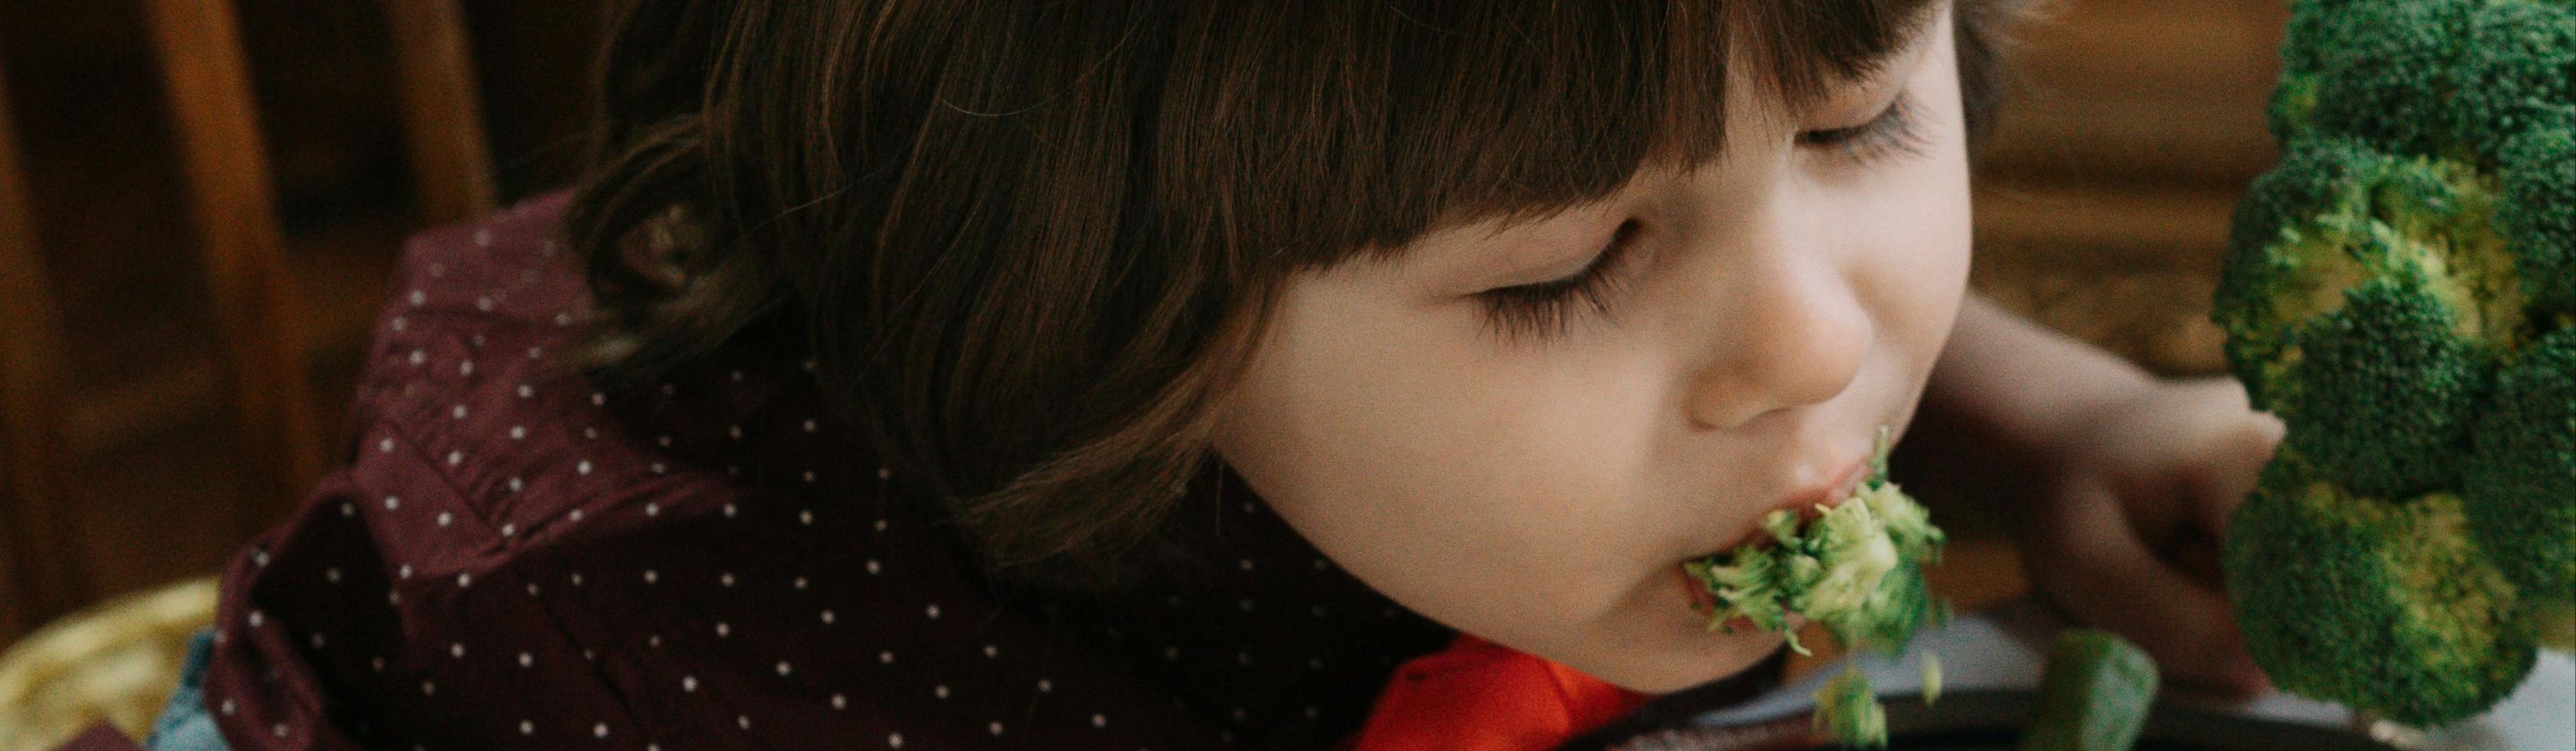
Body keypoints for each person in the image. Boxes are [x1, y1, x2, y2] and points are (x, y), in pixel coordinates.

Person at [143, 0, 2286, 748]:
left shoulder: (1404, 335)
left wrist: (2055, 426)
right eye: (1567, 268)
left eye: (1860, 128)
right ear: (1113, 313)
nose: (1816, 341)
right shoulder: (744, 646)